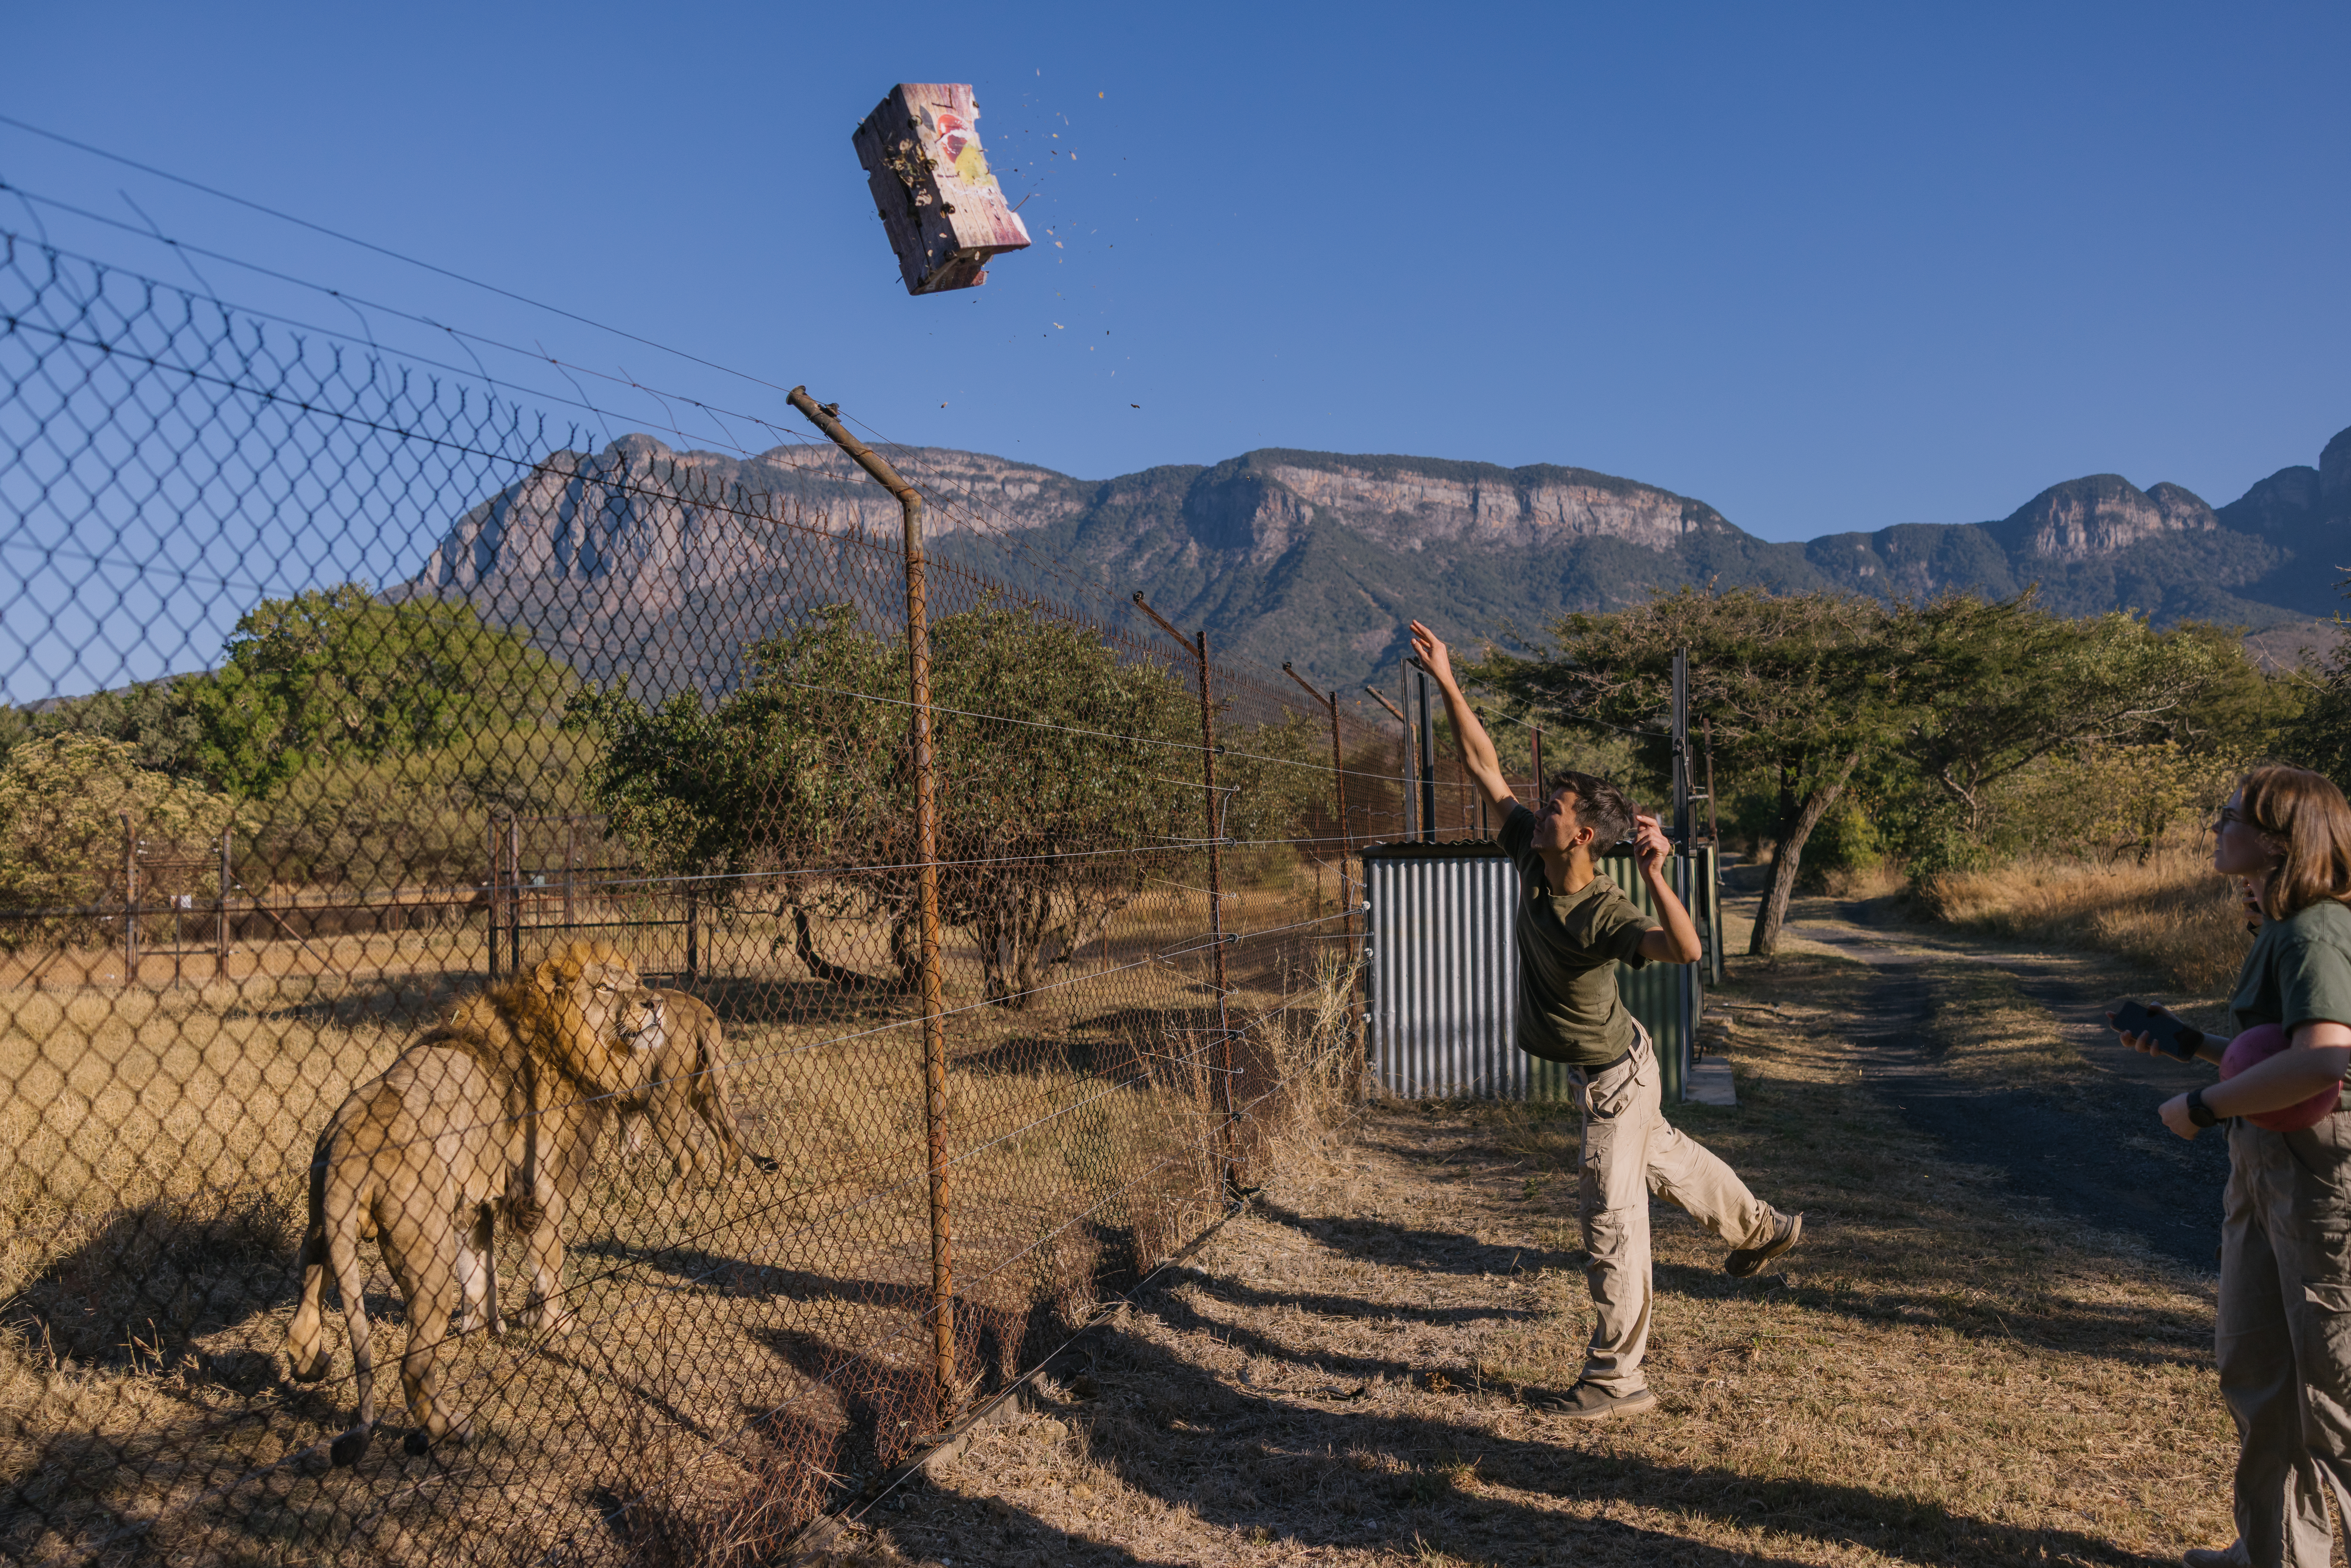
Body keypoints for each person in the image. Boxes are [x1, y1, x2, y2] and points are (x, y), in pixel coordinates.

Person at [1408, 620, 1803, 1420]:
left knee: (1612, 1220)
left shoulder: (1602, 907)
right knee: (1676, 1164)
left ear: (1583, 833)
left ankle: (1618, 1381)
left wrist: (1658, 875)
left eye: (1553, 804)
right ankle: (1759, 1228)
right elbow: (1484, 764)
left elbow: (1685, 948)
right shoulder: (1531, 851)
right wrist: (1449, 681)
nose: (1536, 805)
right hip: (1627, 1064)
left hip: (1616, 1083)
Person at [2119, 767, 2351, 1568]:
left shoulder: (2316, 927)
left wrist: (2206, 1103)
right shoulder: (2279, 929)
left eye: (2228, 818)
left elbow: (2325, 1061)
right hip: (2264, 1167)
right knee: (2259, 1365)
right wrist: (2197, 1047)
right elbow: (2279, 1055)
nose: (2214, 828)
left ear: (2278, 842)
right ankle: (2277, 1552)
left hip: (2317, 1176)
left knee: (2334, 1385)